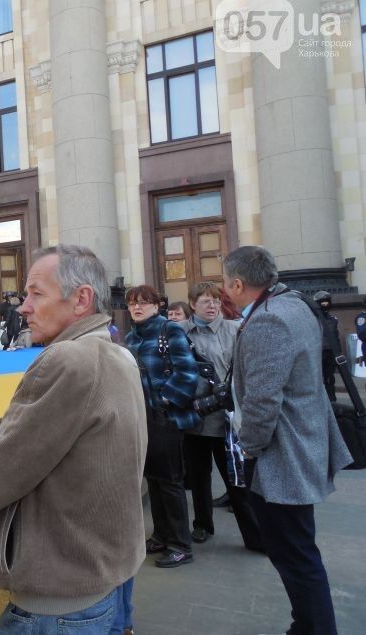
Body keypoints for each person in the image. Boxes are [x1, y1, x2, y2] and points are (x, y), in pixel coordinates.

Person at [0, 245, 146, 635]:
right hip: (108, 574)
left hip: (58, 602)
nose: (23, 307)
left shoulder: (68, 360)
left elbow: (6, 458)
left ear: (81, 299)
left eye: (37, 294)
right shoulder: (118, 355)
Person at [222, 246, 352, 635]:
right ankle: (308, 624)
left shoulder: (269, 320)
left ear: (238, 283)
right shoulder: (294, 303)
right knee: (299, 550)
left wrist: (248, 448)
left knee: (294, 554)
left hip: (283, 457)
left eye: (226, 283)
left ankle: (314, 627)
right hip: (301, 445)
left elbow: (263, 402)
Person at [181, 282, 262, 551]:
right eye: (205, 301)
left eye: (216, 301)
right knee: (199, 477)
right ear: (192, 304)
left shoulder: (234, 329)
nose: (212, 306)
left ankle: (254, 535)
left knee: (236, 479)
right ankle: (202, 524)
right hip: (195, 418)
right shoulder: (179, 333)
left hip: (228, 418)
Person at [125, 284, 199, 568]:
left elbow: (187, 372)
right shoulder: (132, 338)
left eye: (144, 303)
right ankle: (161, 535)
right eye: (133, 303)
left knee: (170, 482)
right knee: (153, 480)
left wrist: (165, 402)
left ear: (157, 306)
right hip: (142, 418)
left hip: (165, 418)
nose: (138, 307)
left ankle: (181, 544)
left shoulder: (170, 330)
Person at [314, 291, 340, 402]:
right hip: (318, 352)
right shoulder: (313, 319)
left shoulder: (333, 319)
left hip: (330, 352)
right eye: (322, 303)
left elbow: (336, 337)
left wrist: (338, 352)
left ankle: (331, 399)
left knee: (329, 378)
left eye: (327, 302)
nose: (325, 305)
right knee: (318, 379)